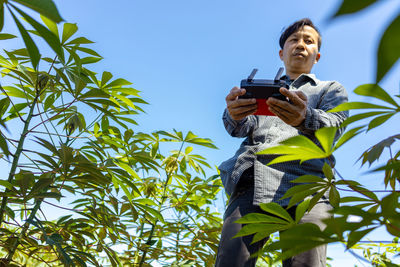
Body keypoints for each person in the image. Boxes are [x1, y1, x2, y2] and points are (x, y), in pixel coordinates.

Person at [215, 18, 349, 267]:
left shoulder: (330, 89)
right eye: (294, 40)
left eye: (309, 41)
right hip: (252, 181)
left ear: (316, 56)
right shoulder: (261, 89)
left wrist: (304, 117)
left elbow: (336, 126)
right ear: (281, 52)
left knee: (305, 263)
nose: (301, 45)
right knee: (231, 262)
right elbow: (241, 128)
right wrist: (233, 113)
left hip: (308, 187)